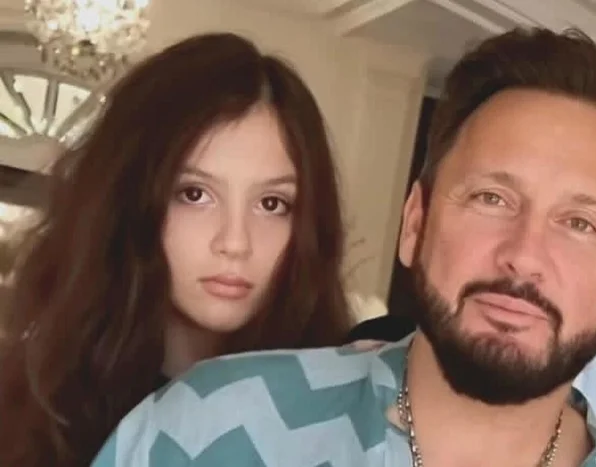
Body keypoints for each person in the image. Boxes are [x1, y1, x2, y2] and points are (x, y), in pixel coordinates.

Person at [91, 26, 596, 467]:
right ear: (415, 223)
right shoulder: (206, 428)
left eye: (580, 224)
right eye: (491, 198)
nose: (524, 255)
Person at [0, 33, 353, 466]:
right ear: (127, 200)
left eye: (272, 204)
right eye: (194, 194)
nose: (235, 242)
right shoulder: (35, 403)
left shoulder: (342, 410)